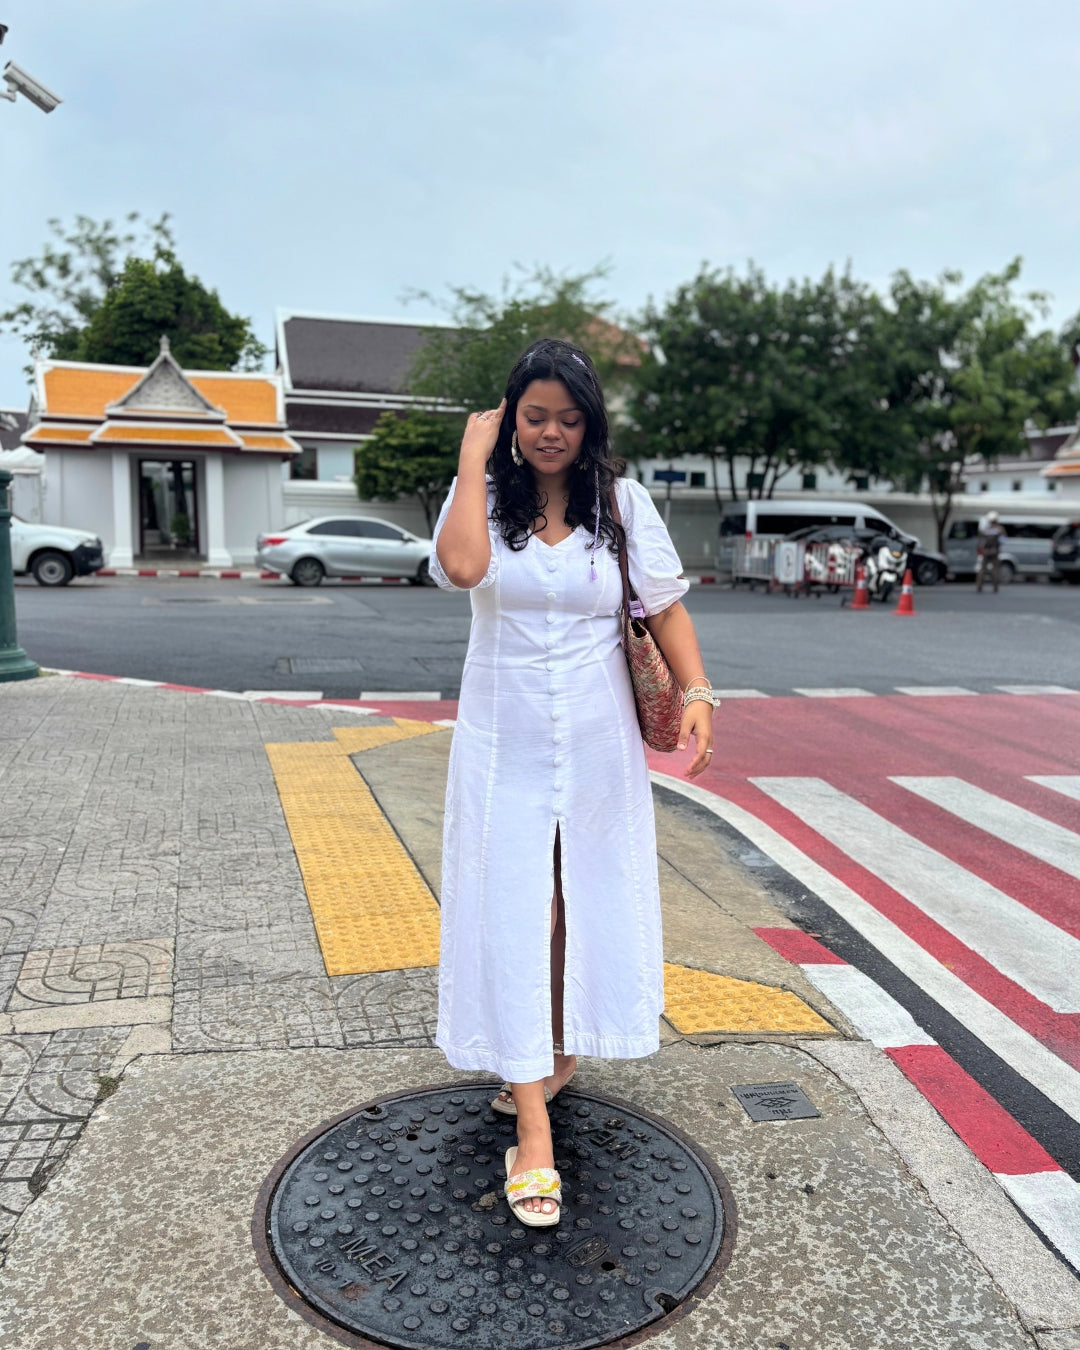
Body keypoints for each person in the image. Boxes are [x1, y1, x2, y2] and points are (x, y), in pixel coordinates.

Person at [430, 338, 717, 1226]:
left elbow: (662, 606)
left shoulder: (622, 504)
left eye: (568, 416)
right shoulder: (480, 496)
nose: (550, 432)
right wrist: (473, 460)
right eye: (534, 415)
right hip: (502, 741)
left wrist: (699, 692)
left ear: (590, 423)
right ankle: (533, 1129)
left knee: (577, 900)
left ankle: (553, 1053)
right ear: (511, 418)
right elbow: (464, 568)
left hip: (597, 742)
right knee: (517, 907)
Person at [976, 510, 1006, 592]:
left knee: (982, 569)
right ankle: (995, 587)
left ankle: (979, 587)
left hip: (985, 551)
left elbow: (980, 539)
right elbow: (1002, 541)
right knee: (995, 569)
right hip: (995, 551)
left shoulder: (985, 529)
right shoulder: (1000, 529)